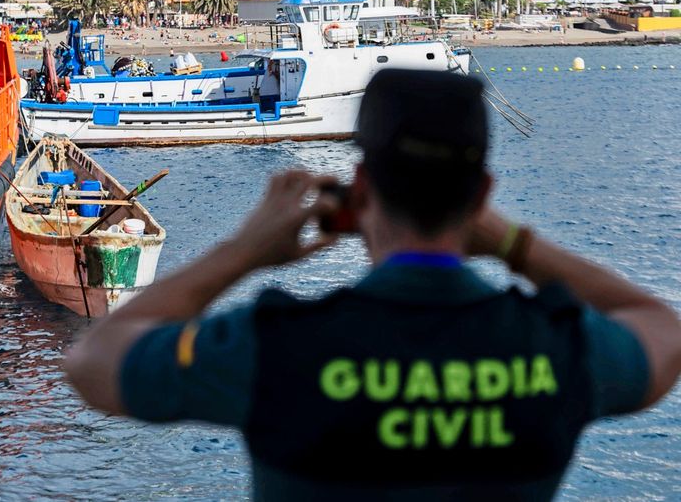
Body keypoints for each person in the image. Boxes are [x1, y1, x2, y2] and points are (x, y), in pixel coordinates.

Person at [65, 70, 681, 500]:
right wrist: (513, 244)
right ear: (483, 197)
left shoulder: (277, 347)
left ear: (359, 191)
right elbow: (660, 331)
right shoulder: (556, 347)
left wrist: (242, 252)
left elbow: (94, 361)